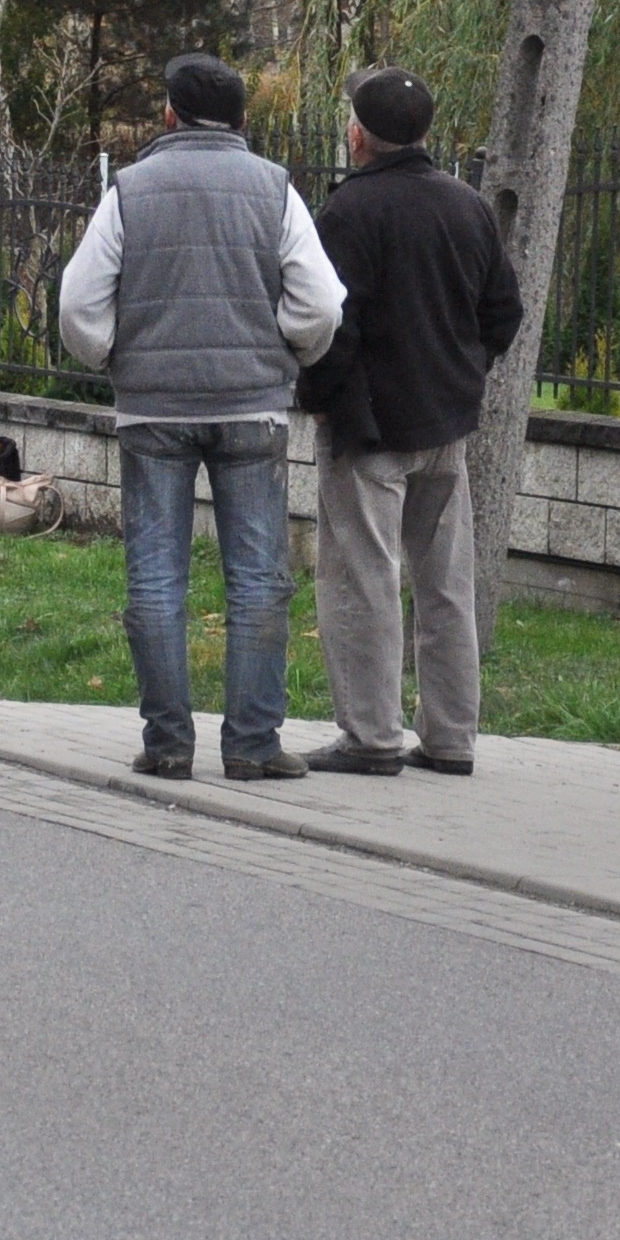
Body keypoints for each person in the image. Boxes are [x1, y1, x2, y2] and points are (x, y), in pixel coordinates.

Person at [59, 53, 346, 781]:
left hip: (152, 409)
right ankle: (252, 746)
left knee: (155, 578)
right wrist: (286, 353)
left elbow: (78, 306)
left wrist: (112, 357)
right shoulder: (275, 189)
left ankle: (168, 745)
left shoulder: (130, 190)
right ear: (244, 120)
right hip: (252, 407)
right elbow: (320, 305)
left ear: (168, 116)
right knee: (258, 578)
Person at [293, 67, 522, 779]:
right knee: (446, 584)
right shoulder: (467, 205)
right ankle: (452, 738)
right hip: (445, 426)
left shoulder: (349, 213)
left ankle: (371, 737)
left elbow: (330, 323)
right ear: (424, 133)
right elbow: (502, 314)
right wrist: (462, 375)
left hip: (369, 430)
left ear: (358, 134)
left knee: (363, 579)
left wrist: (325, 397)